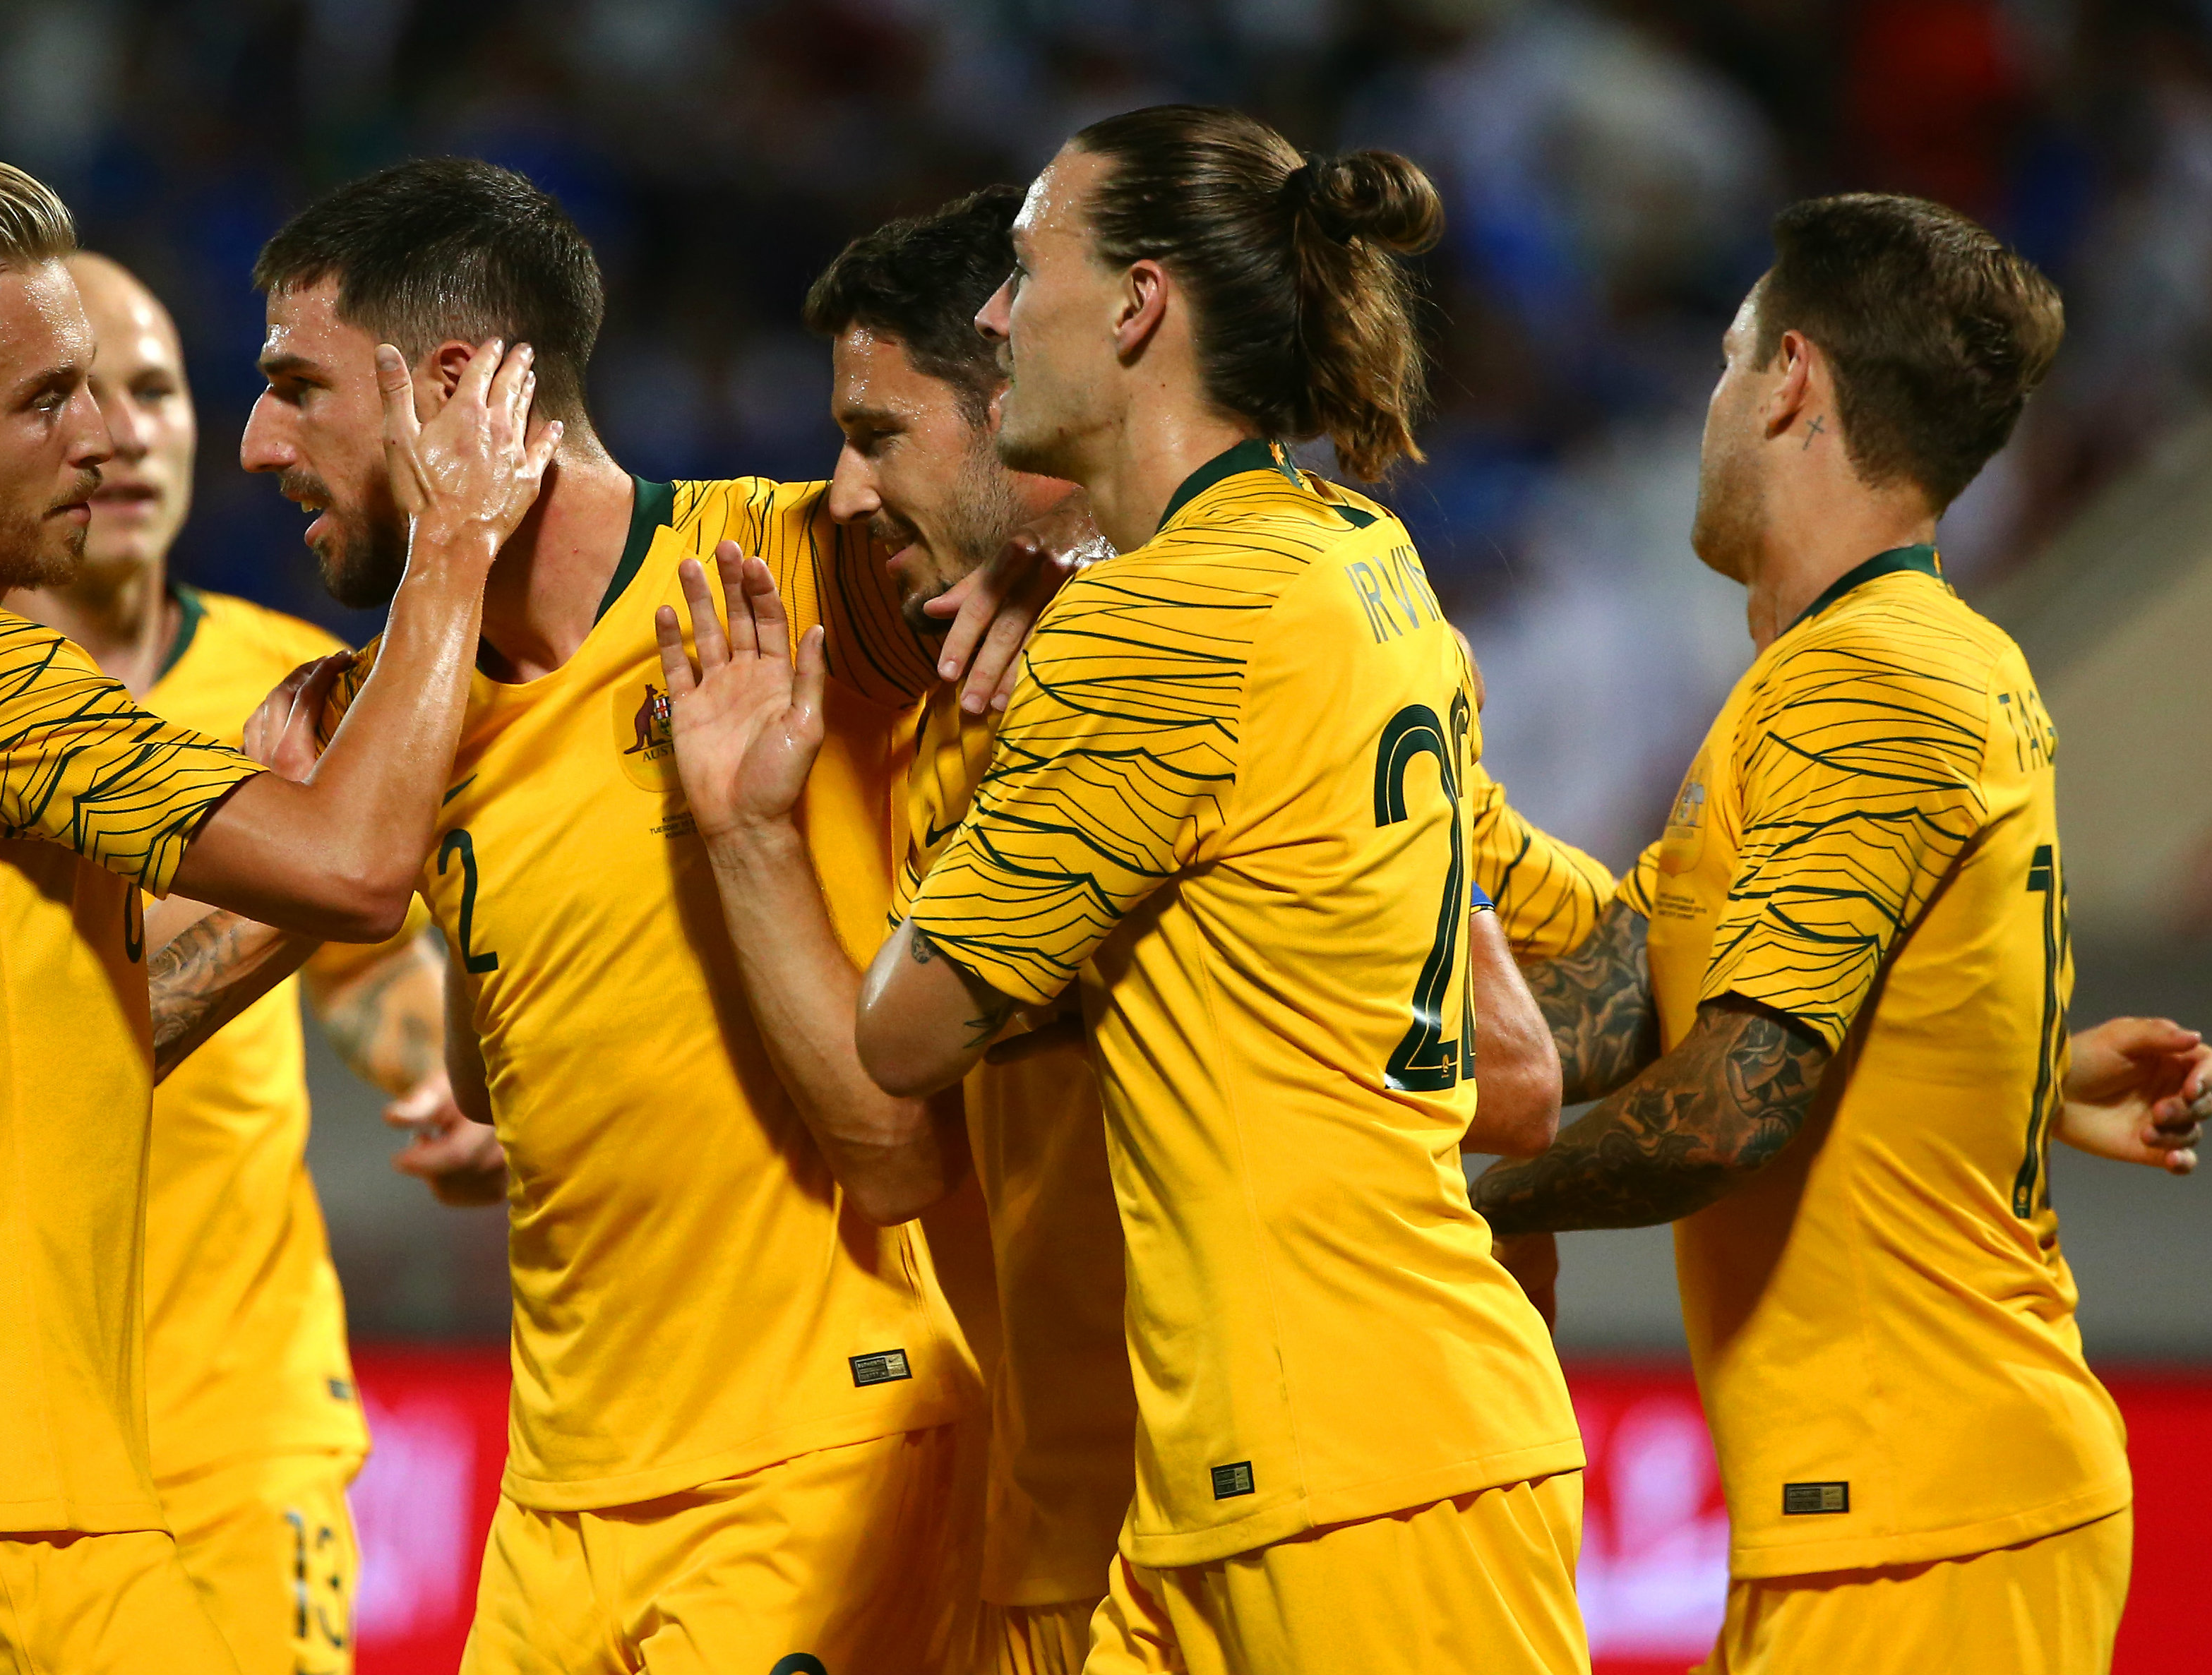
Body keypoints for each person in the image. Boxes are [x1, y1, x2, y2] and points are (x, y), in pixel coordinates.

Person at [657, 181, 1606, 1674]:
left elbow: (1515, 1055)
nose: (840, 493)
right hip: (1105, 1534)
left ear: (1014, 416)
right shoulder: (959, 729)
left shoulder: (1216, 635)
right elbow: (902, 1148)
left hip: (1331, 1471)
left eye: (876, 434)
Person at [0, 160, 554, 1671]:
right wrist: (450, 543)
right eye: (49, 402)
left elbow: (37, 1034)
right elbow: (359, 867)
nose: (106, 441)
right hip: (0, 1502)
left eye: (118, 391)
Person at [232, 157, 1042, 1672]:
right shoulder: (399, 723)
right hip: (558, 1499)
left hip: (816, 1458)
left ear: (455, 385)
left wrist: (1050, 550)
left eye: (295, 384)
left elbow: (1036, 513)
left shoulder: (795, 567)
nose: (257, 438)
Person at [1469, 193, 2212, 1673]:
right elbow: (1632, 978)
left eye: (1723, 364)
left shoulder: (1871, 681)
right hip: (1879, 1507)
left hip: (1924, 1506)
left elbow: (1732, 1095)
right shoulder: (1855, 668)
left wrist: (1466, 1212)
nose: (1708, 406)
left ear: (1790, 382)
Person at [4, 251, 455, 1673]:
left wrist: (431, 1066)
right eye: (66, 397)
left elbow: (374, 967)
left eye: (154, 389)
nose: (126, 431)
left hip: (235, 1426)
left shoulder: (296, 683)